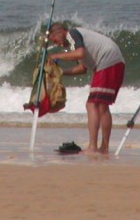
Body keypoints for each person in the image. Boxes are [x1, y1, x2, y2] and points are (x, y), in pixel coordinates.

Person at [46, 22, 125, 154]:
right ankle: (103, 148)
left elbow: (80, 53)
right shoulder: (74, 45)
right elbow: (82, 68)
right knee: (101, 106)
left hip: (108, 61)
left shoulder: (73, 33)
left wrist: (56, 56)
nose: (57, 44)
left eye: (55, 40)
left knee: (92, 104)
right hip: (112, 63)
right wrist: (61, 72)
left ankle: (93, 147)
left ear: (60, 32)